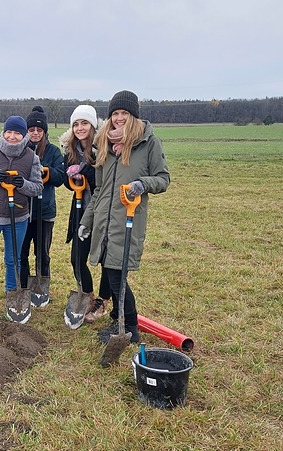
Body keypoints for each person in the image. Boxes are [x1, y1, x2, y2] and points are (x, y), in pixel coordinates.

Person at [78, 90, 170, 344]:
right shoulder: (104, 144)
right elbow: (99, 190)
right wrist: (87, 221)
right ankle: (118, 319)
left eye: (124, 113)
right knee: (111, 273)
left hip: (128, 219)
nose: (119, 118)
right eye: (115, 113)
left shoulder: (148, 143)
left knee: (117, 278)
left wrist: (142, 183)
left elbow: (163, 179)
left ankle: (130, 328)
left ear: (134, 116)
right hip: (104, 223)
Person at [0, 116, 43, 310]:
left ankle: (12, 300)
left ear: (24, 135)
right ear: (4, 132)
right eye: (9, 132)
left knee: (13, 260)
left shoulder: (32, 157)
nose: (12, 136)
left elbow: (37, 188)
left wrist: (24, 184)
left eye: (17, 133)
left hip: (18, 218)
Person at [60, 104, 112, 323]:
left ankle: (103, 300)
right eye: (76, 124)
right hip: (80, 209)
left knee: (106, 258)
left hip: (104, 209)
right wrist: (73, 180)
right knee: (76, 258)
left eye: (84, 123)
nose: (80, 128)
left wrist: (86, 173)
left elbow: (104, 180)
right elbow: (67, 182)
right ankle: (88, 295)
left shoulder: (104, 147)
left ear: (93, 125)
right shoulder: (71, 149)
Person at [18, 106, 67, 304]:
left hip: (44, 211)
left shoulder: (53, 151)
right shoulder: (20, 151)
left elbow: (61, 177)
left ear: (44, 132)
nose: (35, 133)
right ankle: (22, 288)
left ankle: (41, 288)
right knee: (21, 252)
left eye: (39, 130)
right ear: (26, 131)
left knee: (42, 253)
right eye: (31, 130)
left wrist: (47, 172)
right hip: (22, 211)